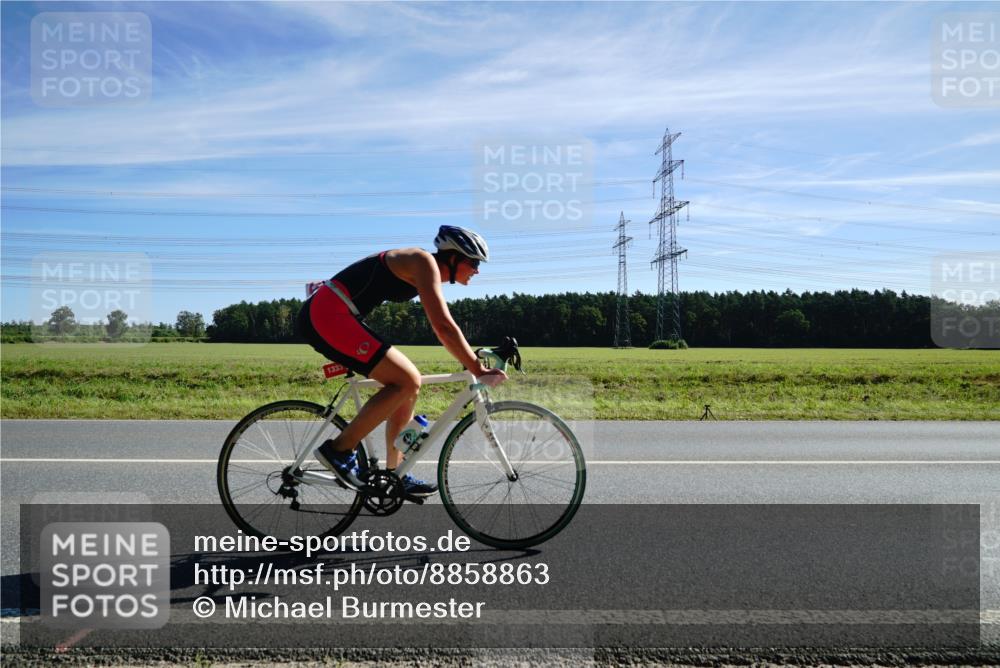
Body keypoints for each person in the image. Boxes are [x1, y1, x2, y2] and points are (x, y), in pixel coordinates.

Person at [296, 225, 507, 497]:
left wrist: (472, 357)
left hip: (338, 313)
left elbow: (443, 323)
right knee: (406, 380)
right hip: (328, 314)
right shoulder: (424, 262)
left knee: (409, 385)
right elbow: (442, 325)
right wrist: (477, 368)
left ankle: (395, 473)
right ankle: (338, 450)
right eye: (474, 262)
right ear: (453, 258)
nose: (477, 270)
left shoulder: (423, 267)